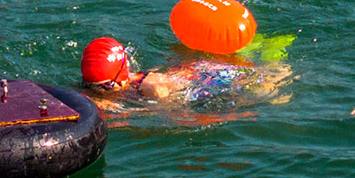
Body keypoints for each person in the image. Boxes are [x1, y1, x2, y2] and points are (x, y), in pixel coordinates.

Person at [79, 35, 293, 112]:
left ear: (119, 80)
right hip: (191, 71)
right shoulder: (116, 82)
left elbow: (173, 111)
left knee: (268, 90)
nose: (98, 92)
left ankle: (275, 56)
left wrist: (126, 114)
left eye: (104, 87)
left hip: (213, 79)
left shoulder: (153, 89)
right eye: (91, 85)